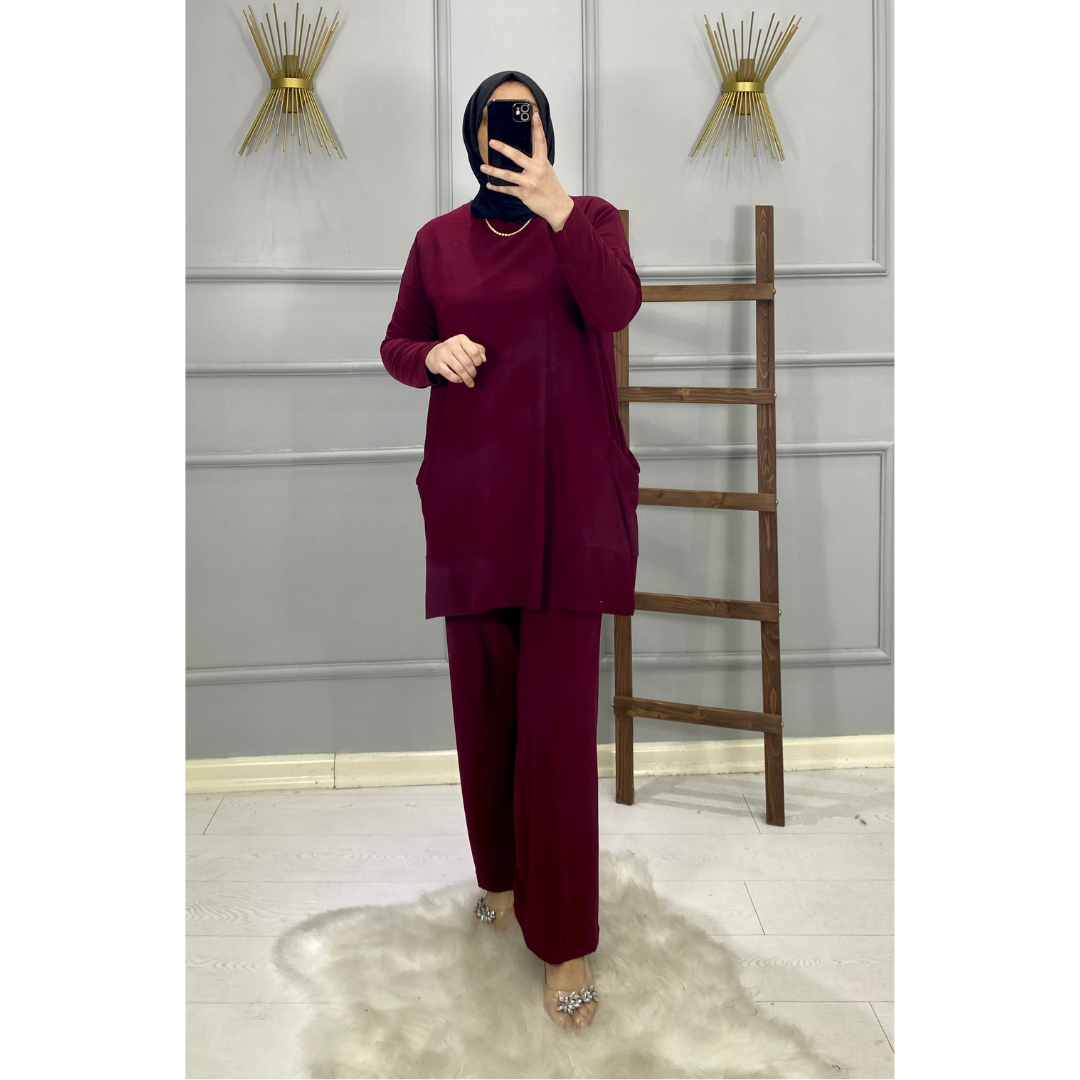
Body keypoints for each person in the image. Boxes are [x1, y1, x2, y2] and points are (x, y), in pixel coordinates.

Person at [380, 69, 642, 1030]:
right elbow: (397, 343)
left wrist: (559, 208)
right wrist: (431, 356)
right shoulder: (436, 241)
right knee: (484, 712)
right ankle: (500, 876)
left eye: (527, 122)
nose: (514, 136)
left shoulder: (592, 220)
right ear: (473, 138)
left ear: (547, 134)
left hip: (570, 509)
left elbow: (615, 308)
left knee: (558, 736)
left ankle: (565, 937)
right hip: (473, 504)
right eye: (499, 123)